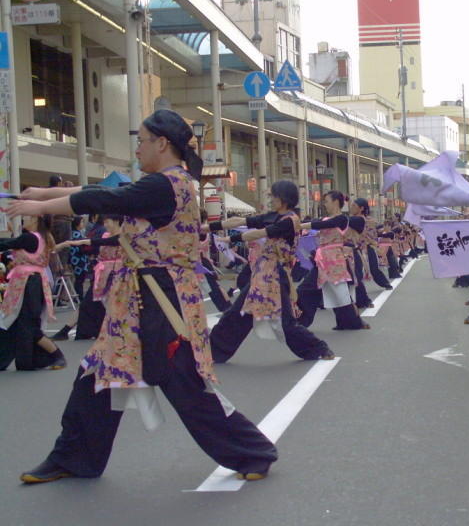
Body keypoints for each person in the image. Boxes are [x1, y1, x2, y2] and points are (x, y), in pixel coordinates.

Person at [13, 109, 277, 484]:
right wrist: (43, 192)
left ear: (162, 144)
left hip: (162, 298)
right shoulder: (162, 183)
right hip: (139, 298)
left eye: (142, 142)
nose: (137, 150)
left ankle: (254, 452)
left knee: (184, 382)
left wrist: (39, 206)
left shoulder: (166, 185)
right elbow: (107, 194)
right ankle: (73, 457)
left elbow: (105, 200)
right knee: (99, 372)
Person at [208, 180, 335, 363]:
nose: (271, 199)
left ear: (283, 198)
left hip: (276, 274)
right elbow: (242, 221)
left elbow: (261, 233)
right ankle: (213, 352)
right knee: (238, 313)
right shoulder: (273, 215)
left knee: (285, 322)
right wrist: (209, 227)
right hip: (262, 272)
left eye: (273, 195)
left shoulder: (290, 220)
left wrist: (230, 239)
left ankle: (317, 348)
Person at [0, 215, 66, 371]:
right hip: (32, 282)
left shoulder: (30, 238)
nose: (24, 220)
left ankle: (56, 354)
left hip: (28, 284)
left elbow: (6, 243)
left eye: (28, 217)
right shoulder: (43, 237)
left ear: (36, 220)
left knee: (26, 324)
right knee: (18, 323)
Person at [299, 191, 370, 330]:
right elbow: (319, 227)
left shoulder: (342, 219)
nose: (325, 204)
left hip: (334, 260)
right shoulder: (326, 219)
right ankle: (301, 322)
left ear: (336, 202)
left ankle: (353, 322)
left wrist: (301, 225)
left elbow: (321, 225)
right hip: (323, 260)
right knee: (323, 291)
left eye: (327, 201)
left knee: (339, 293)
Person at [52, 214, 124, 341]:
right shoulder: (105, 235)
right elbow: (95, 247)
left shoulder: (123, 236)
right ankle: (65, 330)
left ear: (117, 221)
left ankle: (116, 332)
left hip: (117, 274)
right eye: (105, 222)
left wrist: (71, 243)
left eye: (108, 221)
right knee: (87, 303)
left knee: (112, 305)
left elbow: (98, 243)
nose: (106, 225)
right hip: (102, 274)